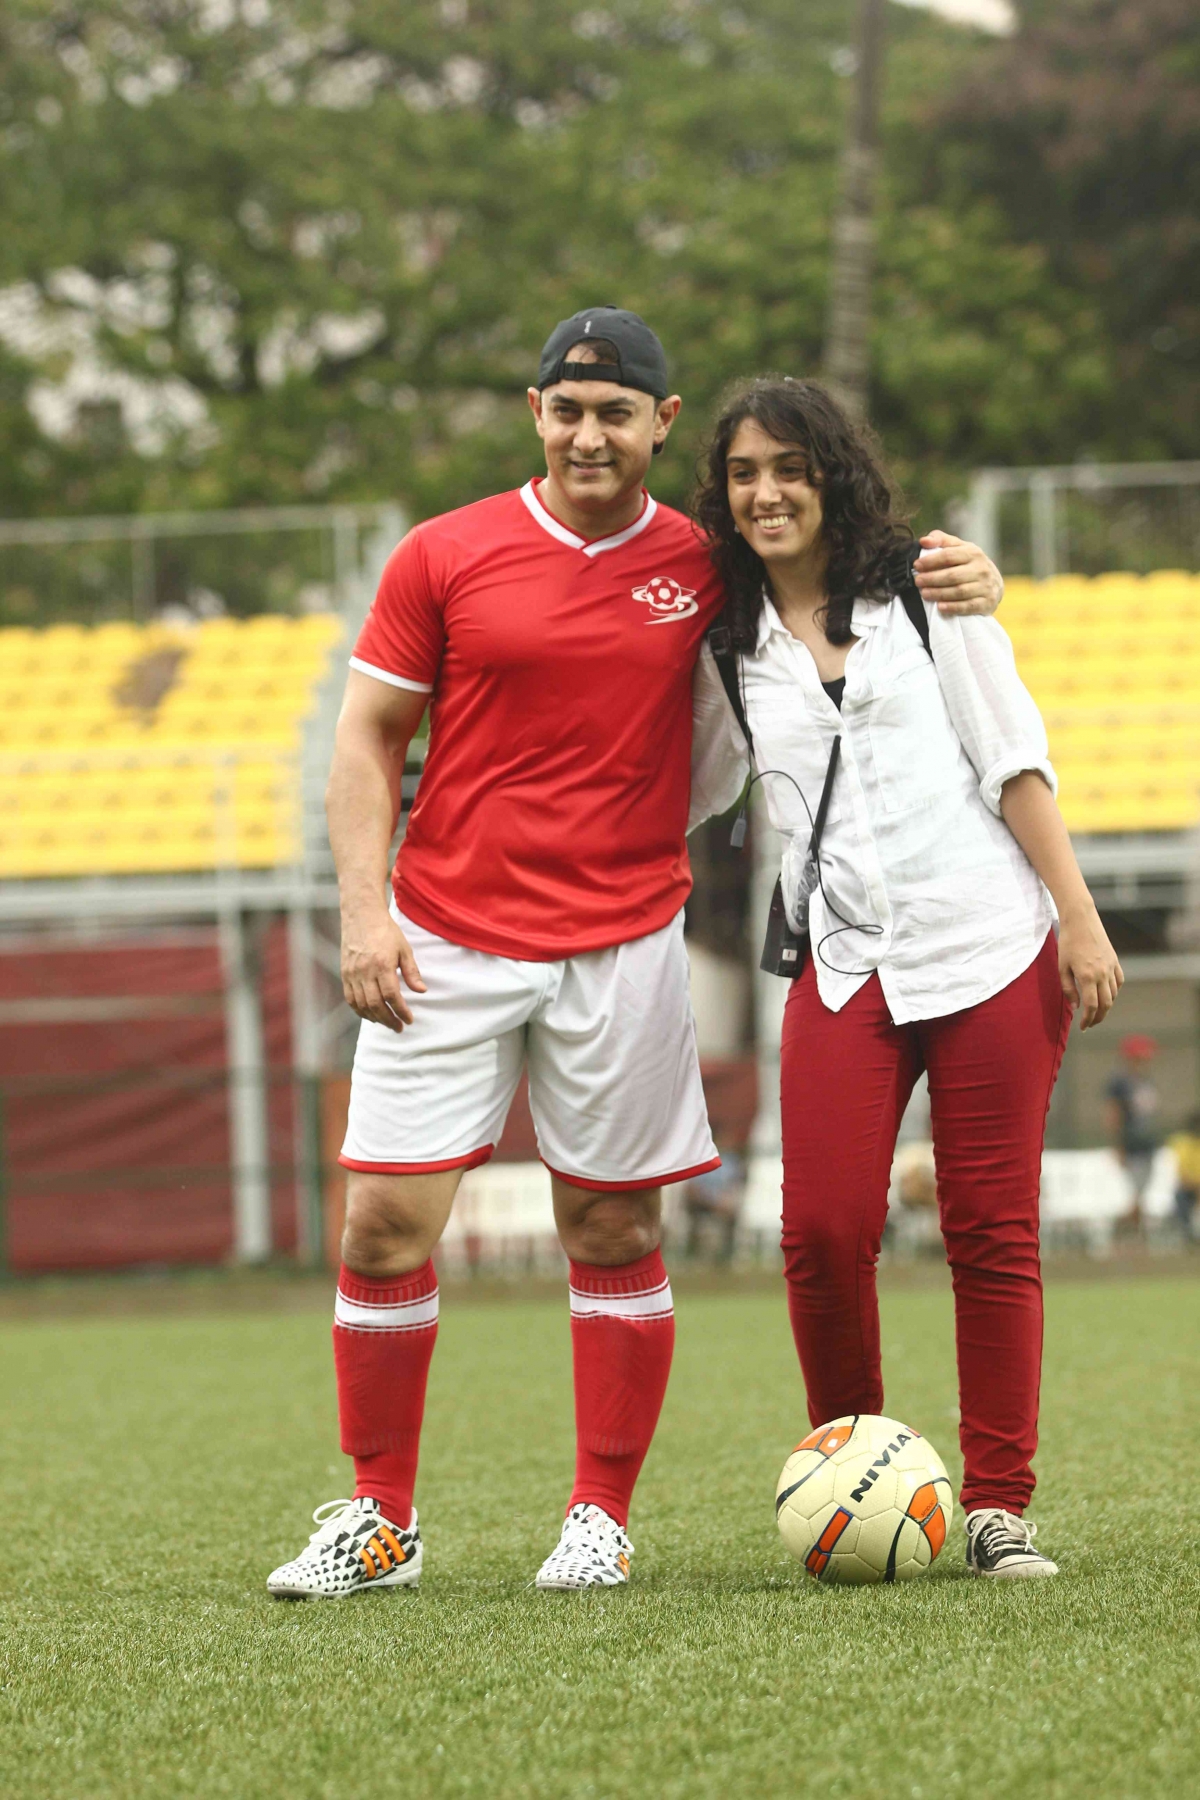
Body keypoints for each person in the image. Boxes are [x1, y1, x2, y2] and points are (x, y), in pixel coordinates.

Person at [267, 316, 1004, 1599]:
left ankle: (598, 1517)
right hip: (443, 933)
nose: (588, 434)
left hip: (623, 942)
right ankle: (379, 1517)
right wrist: (363, 915)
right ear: (534, 415)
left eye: (617, 412)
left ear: (665, 427)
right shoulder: (443, 554)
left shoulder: (705, 566)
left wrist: (974, 576)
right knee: (383, 1227)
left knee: (611, 1226)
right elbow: (368, 740)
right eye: (567, 410)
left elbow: (848, 567)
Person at [689, 375, 1123, 1579]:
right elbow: (684, 788)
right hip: (844, 961)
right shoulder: (727, 645)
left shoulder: (930, 595)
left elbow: (1014, 761)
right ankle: (851, 1465)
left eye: (790, 467)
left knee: (992, 1229)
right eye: (743, 474)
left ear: (832, 474)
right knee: (822, 1227)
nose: (767, 491)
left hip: (989, 939)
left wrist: (1077, 920)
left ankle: (996, 1506)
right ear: (723, 498)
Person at [1105, 1034, 1161, 1233]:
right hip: (1131, 1144)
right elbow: (1114, 1114)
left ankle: (1132, 1234)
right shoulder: (1120, 1083)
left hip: (1148, 1144)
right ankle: (1121, 1229)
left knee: (1141, 1194)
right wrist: (1118, 1145)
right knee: (1136, 1193)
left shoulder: (1146, 1081)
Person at [1167, 1110, 1200, 1243]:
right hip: (1189, 1187)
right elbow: (1181, 1174)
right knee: (1180, 1196)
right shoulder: (1182, 1143)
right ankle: (1187, 1234)